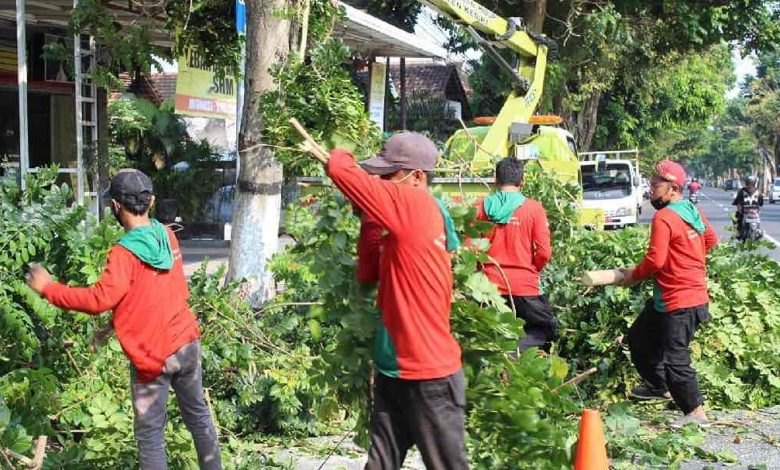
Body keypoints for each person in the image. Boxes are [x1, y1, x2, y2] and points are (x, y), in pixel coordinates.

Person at [25, 169, 222, 470]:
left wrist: (48, 288)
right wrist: (112, 326)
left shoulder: (124, 253)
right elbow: (151, 292)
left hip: (153, 355)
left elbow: (98, 300)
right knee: (198, 417)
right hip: (186, 343)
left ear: (116, 206)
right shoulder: (166, 235)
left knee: (150, 436)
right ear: (151, 201)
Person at [327, 133, 467, 470]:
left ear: (417, 177)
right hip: (394, 368)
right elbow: (369, 272)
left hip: (428, 372)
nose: (381, 182)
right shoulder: (424, 214)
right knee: (381, 464)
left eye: (388, 175)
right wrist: (370, 219)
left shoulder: (415, 205)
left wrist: (340, 149)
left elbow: (339, 168)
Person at [617, 160, 718, 426]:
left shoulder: (664, 217)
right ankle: (659, 387)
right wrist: (687, 259)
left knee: (675, 357)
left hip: (680, 300)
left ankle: (695, 412)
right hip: (676, 297)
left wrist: (632, 276)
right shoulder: (692, 210)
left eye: (656, 185)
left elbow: (655, 260)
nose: (651, 189)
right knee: (639, 338)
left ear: (673, 189)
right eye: (651, 184)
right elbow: (710, 240)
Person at [476, 157, 555, 353]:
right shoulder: (534, 209)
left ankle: (501, 359)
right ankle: (515, 356)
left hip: (488, 288)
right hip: (525, 288)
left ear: (496, 180)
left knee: (488, 335)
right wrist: (533, 269)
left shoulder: (480, 206)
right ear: (523, 181)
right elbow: (544, 252)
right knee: (544, 329)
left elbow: (470, 248)